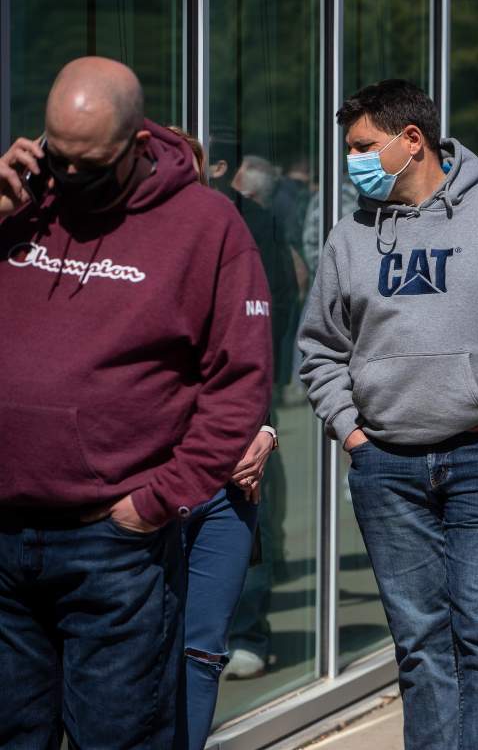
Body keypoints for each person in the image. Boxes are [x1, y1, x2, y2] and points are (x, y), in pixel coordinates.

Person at [297, 79, 478, 749]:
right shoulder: (350, 237)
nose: (352, 160)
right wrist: (351, 429)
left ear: (413, 140)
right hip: (386, 466)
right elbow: (319, 347)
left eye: (362, 146)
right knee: (420, 641)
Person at [0, 57, 273, 748]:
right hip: (4, 537)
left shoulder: (206, 225)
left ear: (138, 145)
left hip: (113, 544)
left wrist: (154, 502)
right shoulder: (22, 206)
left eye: (90, 166)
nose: (68, 182)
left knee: (118, 739)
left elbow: (239, 383)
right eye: (57, 160)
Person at [165, 125, 282, 749]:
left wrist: (264, 428)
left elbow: (260, 353)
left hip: (226, 486)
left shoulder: (237, 234)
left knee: (203, 650)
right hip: (151, 489)